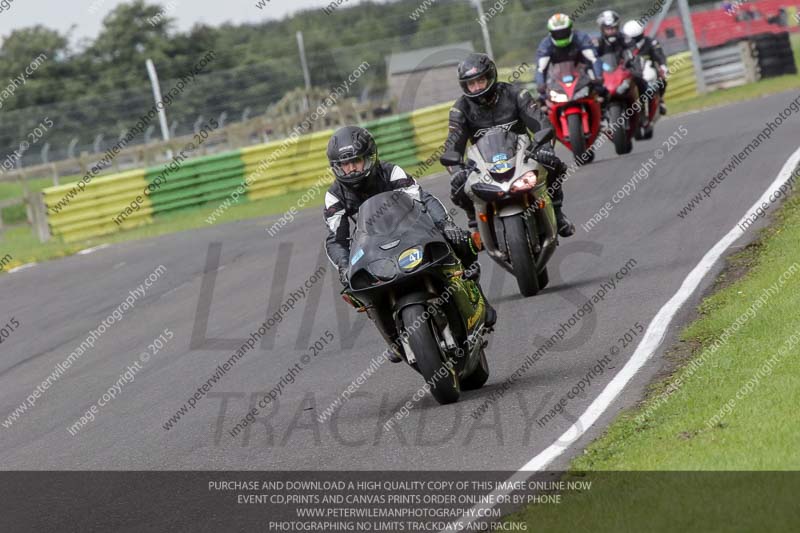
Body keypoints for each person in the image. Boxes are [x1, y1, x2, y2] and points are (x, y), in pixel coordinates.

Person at [323, 126, 496, 362]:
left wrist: (446, 225)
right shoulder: (335, 195)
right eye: (345, 164)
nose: (351, 168)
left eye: (357, 161)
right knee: (356, 285)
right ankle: (393, 338)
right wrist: (344, 266)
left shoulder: (390, 172)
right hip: (374, 247)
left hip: (411, 232)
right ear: (336, 167)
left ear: (370, 158)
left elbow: (422, 199)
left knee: (459, 239)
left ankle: (475, 291)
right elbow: (336, 239)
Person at [442, 52, 576, 238]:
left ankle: (557, 212)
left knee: (554, 163)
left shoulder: (517, 95)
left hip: (523, 156)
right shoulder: (460, 109)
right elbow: (453, 144)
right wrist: (456, 169)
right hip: (483, 165)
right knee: (457, 185)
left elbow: (542, 124)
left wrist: (544, 148)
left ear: (491, 76)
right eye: (470, 84)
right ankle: (475, 223)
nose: (476, 87)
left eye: (480, 81)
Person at [535, 13, 607, 105]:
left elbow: (594, 58)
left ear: (570, 29)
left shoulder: (581, 37)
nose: (561, 35)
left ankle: (605, 110)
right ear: (551, 33)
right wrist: (541, 85)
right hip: (557, 80)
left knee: (600, 90)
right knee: (543, 100)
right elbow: (540, 68)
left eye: (563, 32)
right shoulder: (546, 44)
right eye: (557, 33)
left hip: (583, 75)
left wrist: (598, 77)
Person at [622, 19, 669, 115]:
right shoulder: (622, 45)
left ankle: (660, 100)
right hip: (630, 71)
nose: (631, 40)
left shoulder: (651, 42)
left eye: (634, 38)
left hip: (648, 69)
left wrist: (663, 66)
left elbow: (659, 55)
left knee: (662, 80)